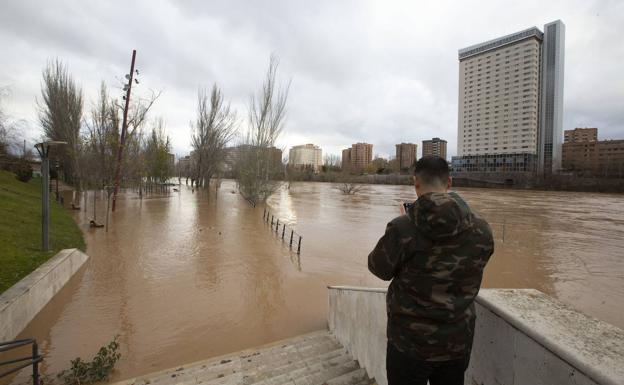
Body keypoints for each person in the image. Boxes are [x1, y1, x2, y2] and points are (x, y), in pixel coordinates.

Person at [368, 156, 494, 385]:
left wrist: (403, 222)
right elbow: (477, 264)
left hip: (409, 343)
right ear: (449, 183)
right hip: (457, 341)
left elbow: (378, 268)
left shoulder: (403, 228)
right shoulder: (482, 229)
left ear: (415, 183)